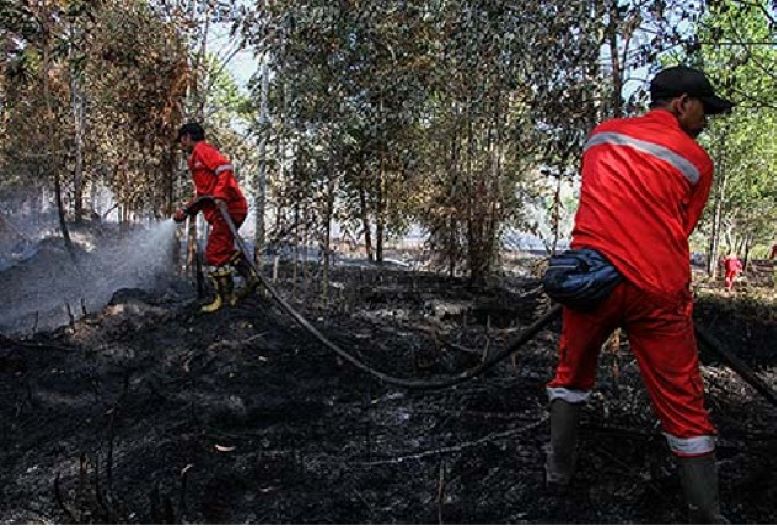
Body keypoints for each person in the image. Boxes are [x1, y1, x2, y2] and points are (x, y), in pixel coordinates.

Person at [545, 66, 734, 523]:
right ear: (681, 103)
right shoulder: (697, 161)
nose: (705, 121)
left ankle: (557, 474)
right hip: (658, 291)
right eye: (703, 110)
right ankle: (707, 512)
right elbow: (680, 229)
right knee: (683, 399)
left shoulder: (600, 136)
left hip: (592, 282)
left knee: (570, 374)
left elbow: (600, 198)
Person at [173, 122, 259, 312]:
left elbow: (225, 168)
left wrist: (220, 195)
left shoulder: (204, 151)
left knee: (214, 253)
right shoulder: (195, 158)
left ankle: (223, 299)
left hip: (228, 209)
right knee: (222, 250)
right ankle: (250, 277)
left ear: (187, 137)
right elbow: (204, 194)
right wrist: (187, 211)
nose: (181, 145)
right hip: (224, 210)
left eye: (182, 141)